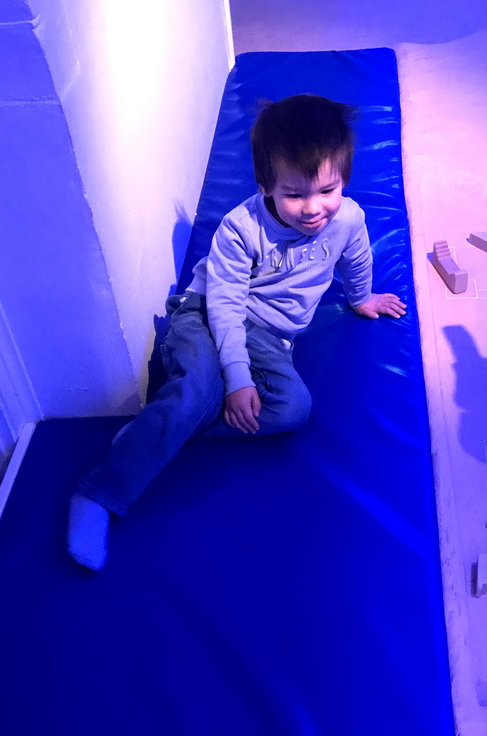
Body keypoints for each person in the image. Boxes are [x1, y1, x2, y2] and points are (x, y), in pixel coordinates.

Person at [67, 94, 406, 570]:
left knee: (294, 408)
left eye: (327, 190)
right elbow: (224, 305)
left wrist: (361, 297)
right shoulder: (240, 228)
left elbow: (356, 258)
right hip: (205, 315)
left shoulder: (347, 218)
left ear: (344, 180)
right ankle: (99, 493)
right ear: (266, 185)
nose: (313, 209)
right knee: (197, 390)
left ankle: (157, 431)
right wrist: (240, 379)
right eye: (294, 194)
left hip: (268, 337)